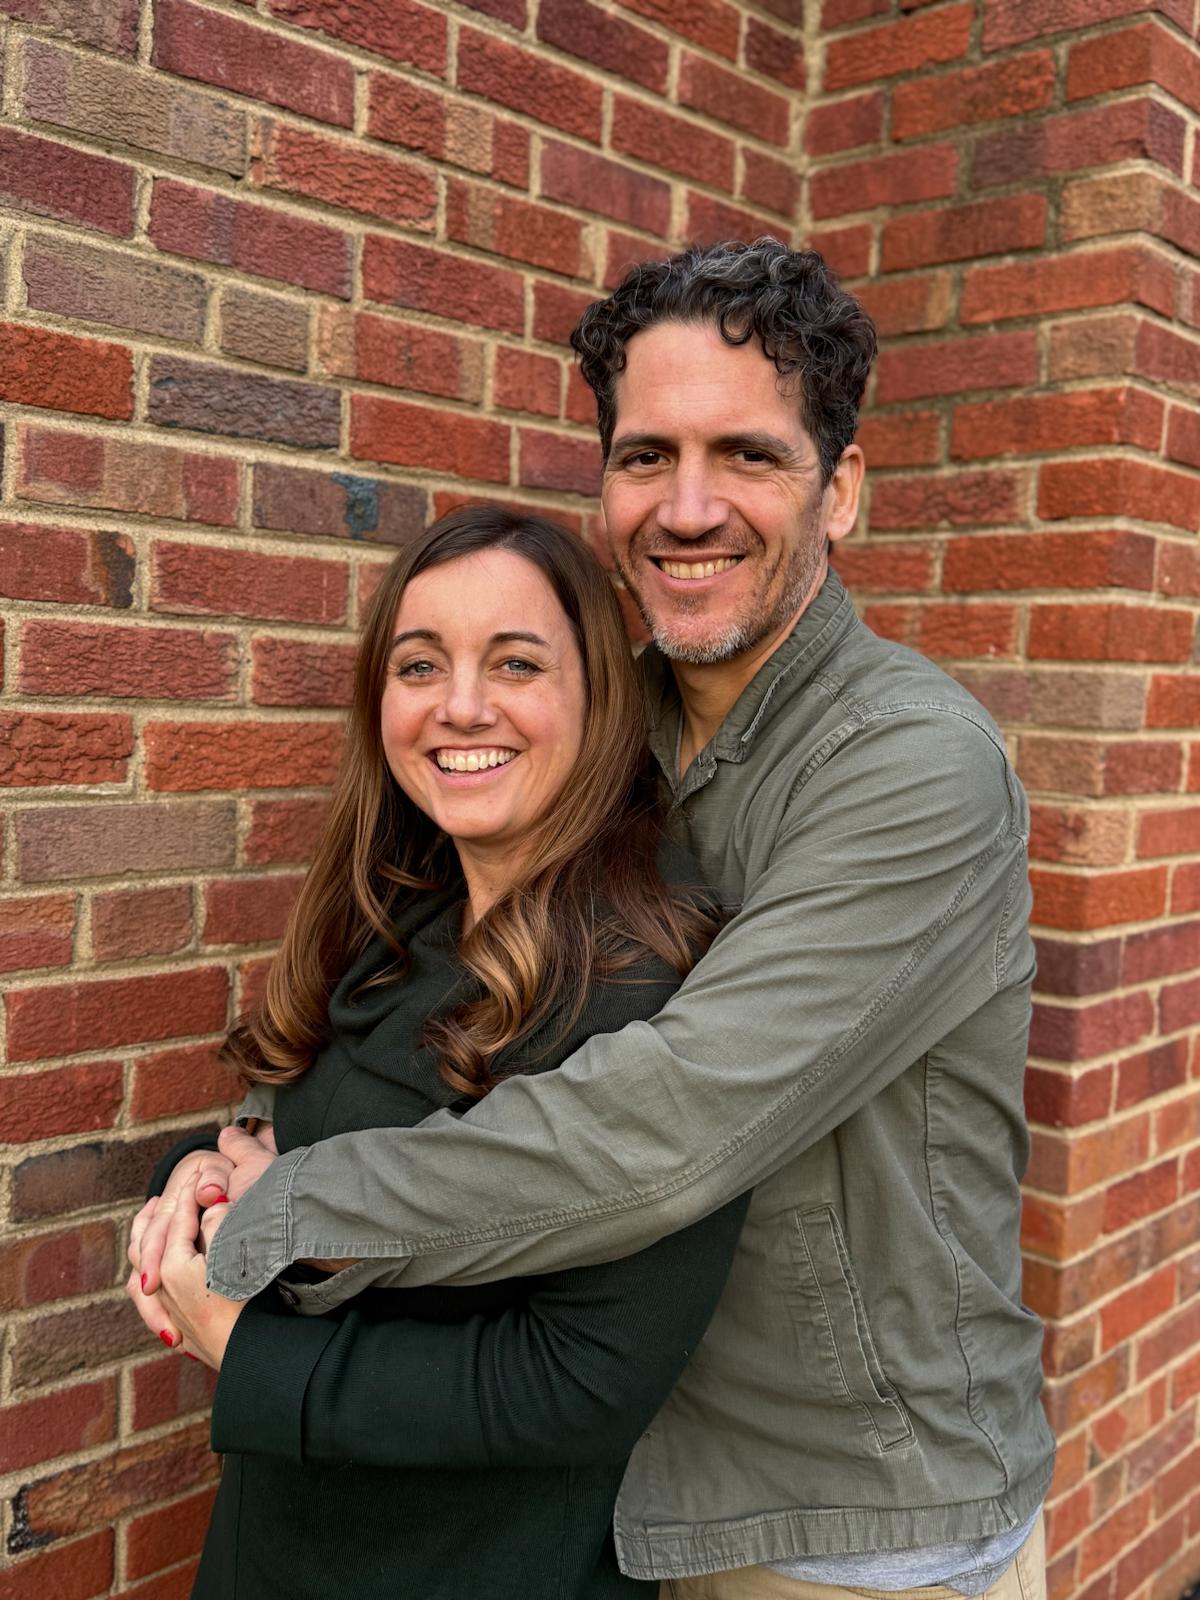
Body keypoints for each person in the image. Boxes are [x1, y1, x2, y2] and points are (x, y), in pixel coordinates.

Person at [137, 239, 1055, 1598]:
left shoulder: (912, 766)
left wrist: (291, 1215)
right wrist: (260, 1133)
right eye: (645, 457)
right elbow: (427, 924)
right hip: (620, 1508)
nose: (688, 508)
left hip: (847, 1521)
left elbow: (670, 1120)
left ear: (841, 488)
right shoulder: (608, 718)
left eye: (747, 455)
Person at [127, 506, 750, 1600]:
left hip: (488, 1565)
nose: (461, 706)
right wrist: (196, 1176)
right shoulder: (388, 927)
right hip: (273, 1548)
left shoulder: (658, 987)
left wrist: (246, 1349)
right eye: (422, 664)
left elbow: (585, 1380)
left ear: (596, 698)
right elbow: (293, 1135)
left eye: (515, 663)